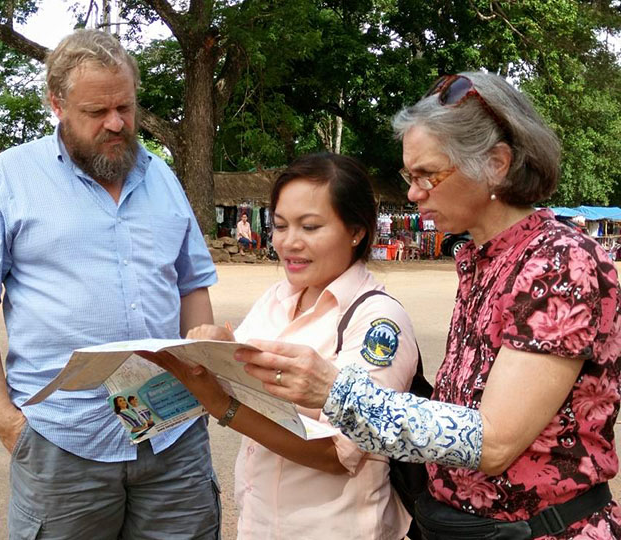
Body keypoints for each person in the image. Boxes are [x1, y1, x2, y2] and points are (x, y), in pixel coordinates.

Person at [236, 72, 621, 540]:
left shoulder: (558, 262)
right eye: (409, 176)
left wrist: (335, 390)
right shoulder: (485, 260)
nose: (414, 193)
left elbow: (494, 440)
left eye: (427, 175)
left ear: (496, 164)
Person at [0, 29, 220, 539]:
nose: (116, 123)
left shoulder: (162, 177)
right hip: (61, 440)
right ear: (57, 104)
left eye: (125, 107)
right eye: (97, 112)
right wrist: (4, 417)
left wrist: (205, 362)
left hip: (173, 432)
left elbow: (191, 283)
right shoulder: (10, 177)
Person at [150, 153, 419, 539]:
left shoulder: (378, 322)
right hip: (261, 524)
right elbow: (242, 361)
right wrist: (217, 346)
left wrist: (224, 408)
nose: (289, 242)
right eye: (279, 226)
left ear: (356, 231)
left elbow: (340, 455)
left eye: (310, 227)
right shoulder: (279, 296)